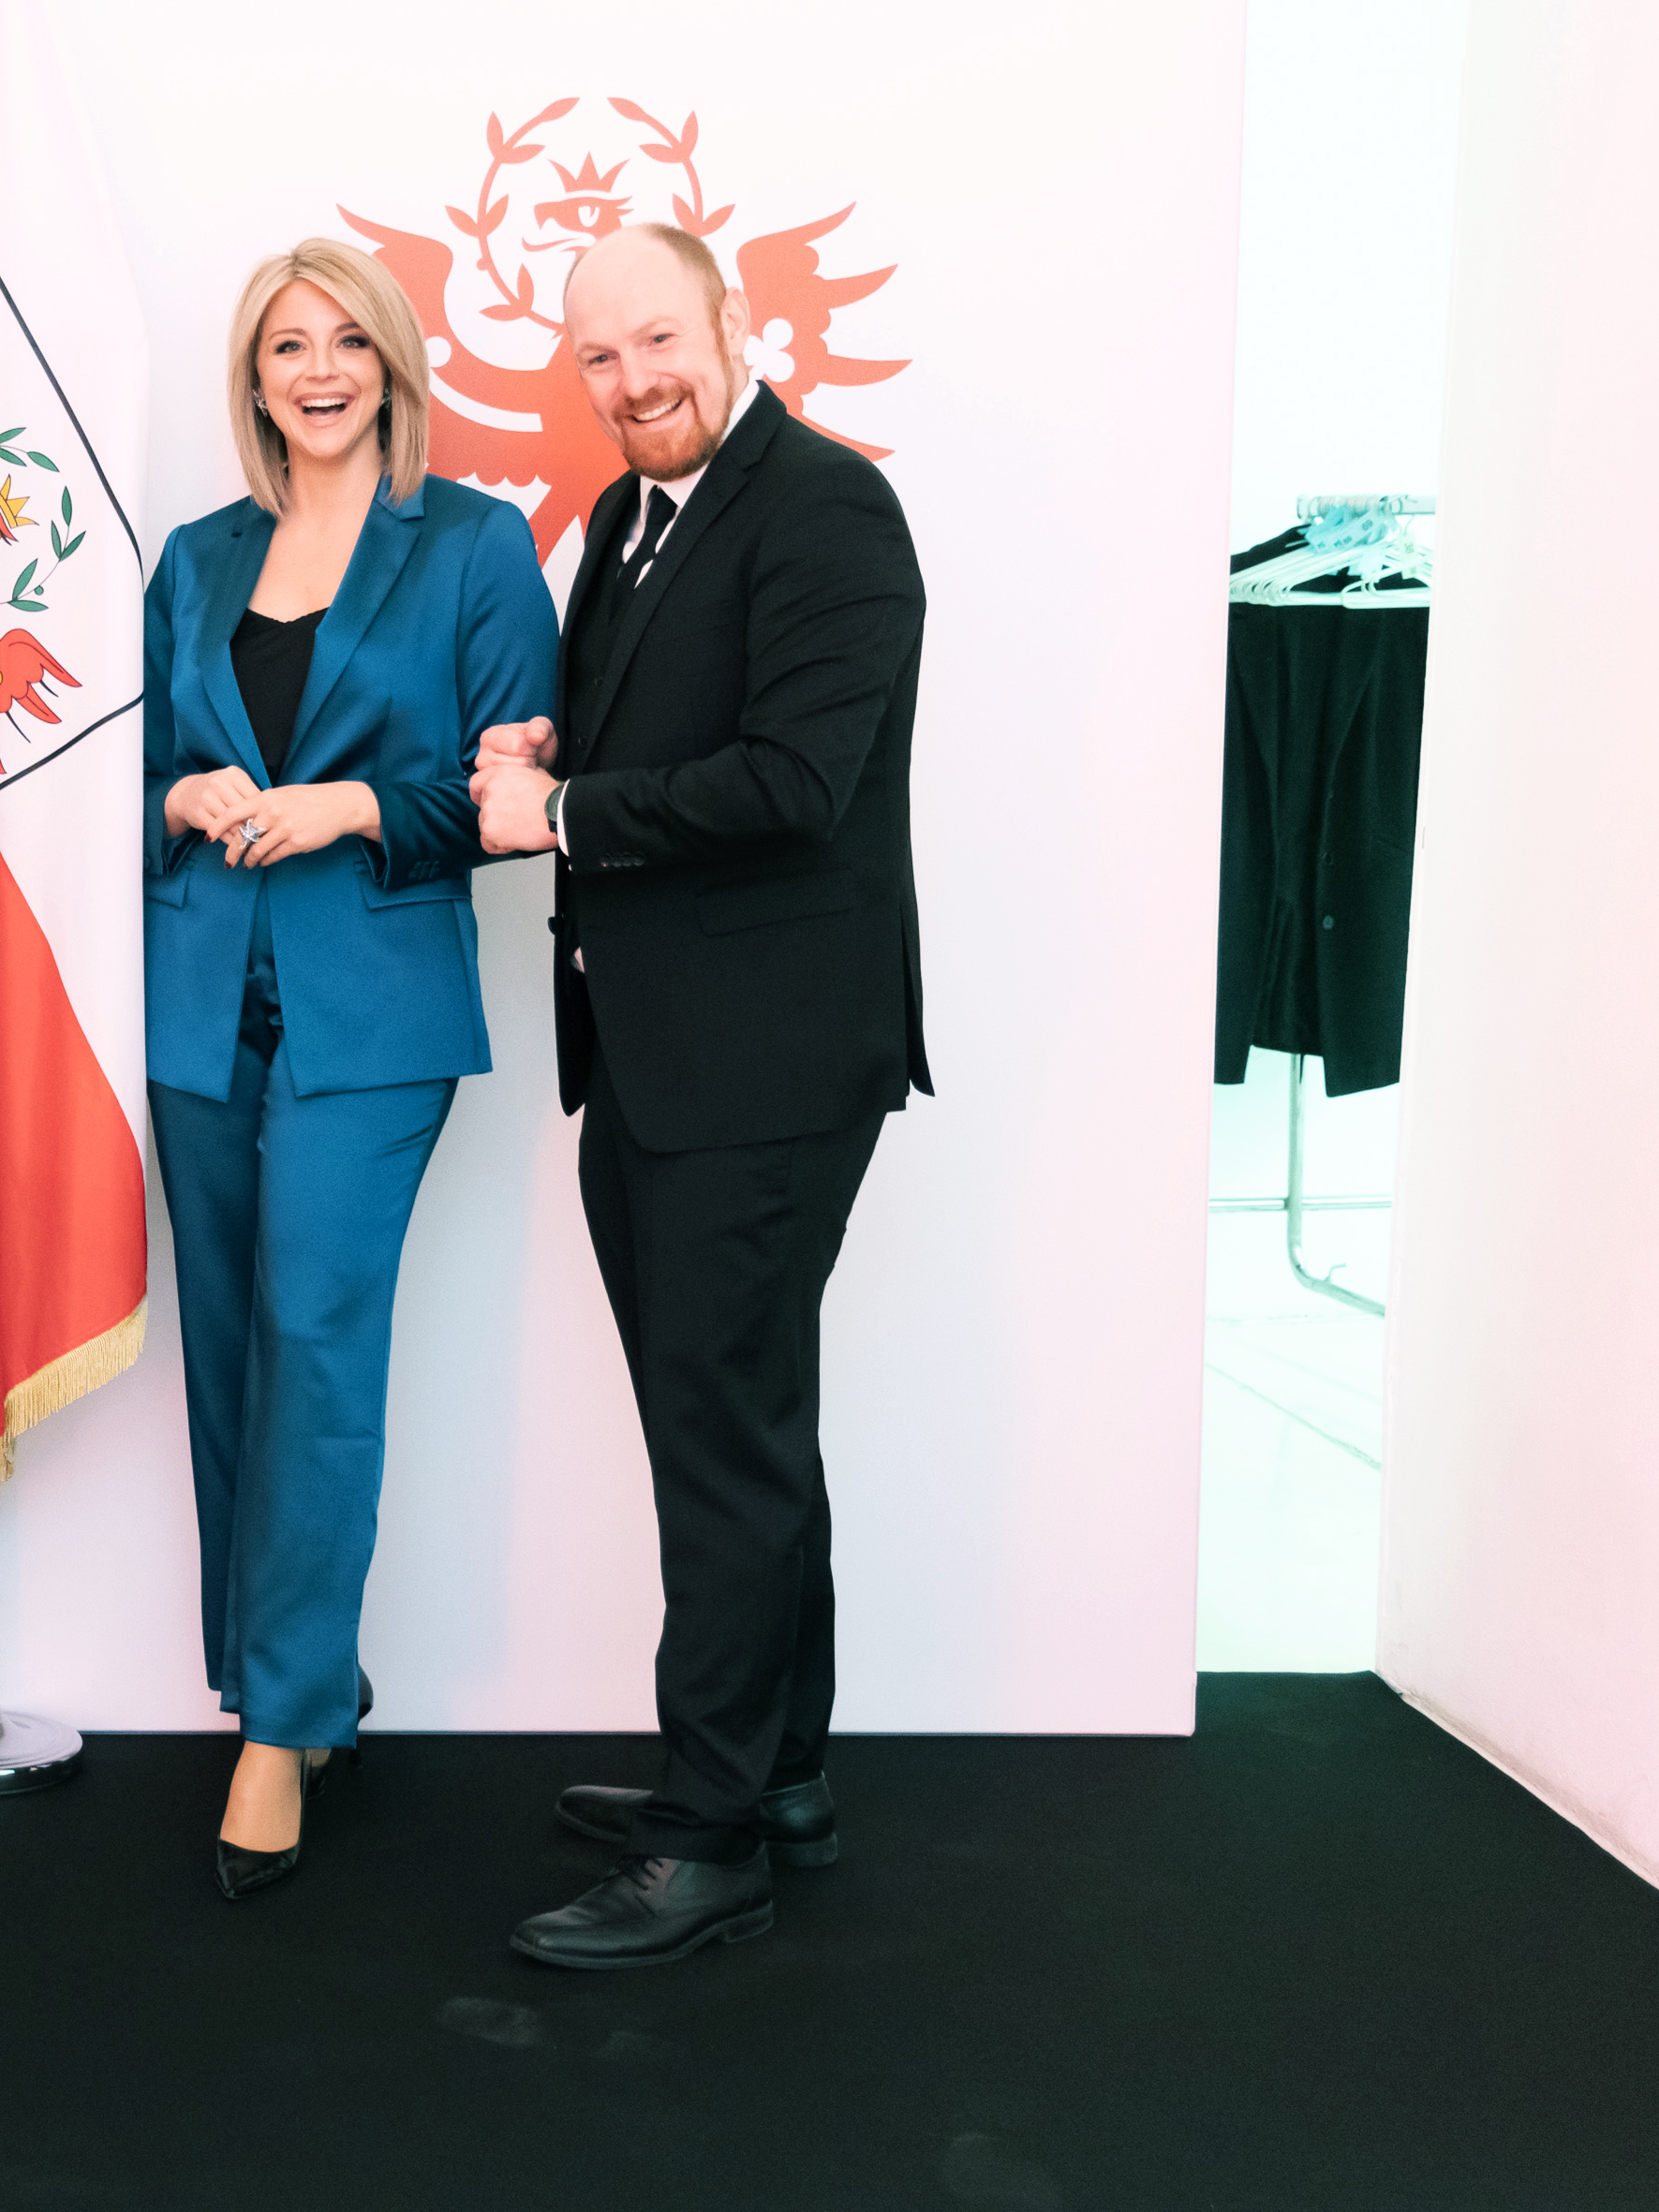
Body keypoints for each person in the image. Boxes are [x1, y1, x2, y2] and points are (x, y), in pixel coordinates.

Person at [470, 223, 929, 1969]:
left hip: (769, 1062)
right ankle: (777, 1774)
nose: (632, 379)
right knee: (740, 1428)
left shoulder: (827, 507)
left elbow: (798, 780)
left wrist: (565, 814)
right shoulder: (623, 519)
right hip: (659, 1054)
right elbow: (651, 739)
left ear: (733, 323)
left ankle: (707, 1837)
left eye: (658, 339)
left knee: (723, 1447)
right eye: (599, 356)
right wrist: (552, 754)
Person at [145, 240, 558, 1900]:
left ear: (391, 364)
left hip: (373, 1014)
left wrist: (357, 804)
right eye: (284, 347)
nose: (317, 371)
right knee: (228, 1348)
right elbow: (128, 770)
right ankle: (282, 1677)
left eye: (346, 344)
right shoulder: (195, 556)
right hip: (196, 1000)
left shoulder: (472, 544)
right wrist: (179, 797)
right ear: (252, 380)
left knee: (316, 1336)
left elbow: (511, 799)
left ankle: (283, 1724)